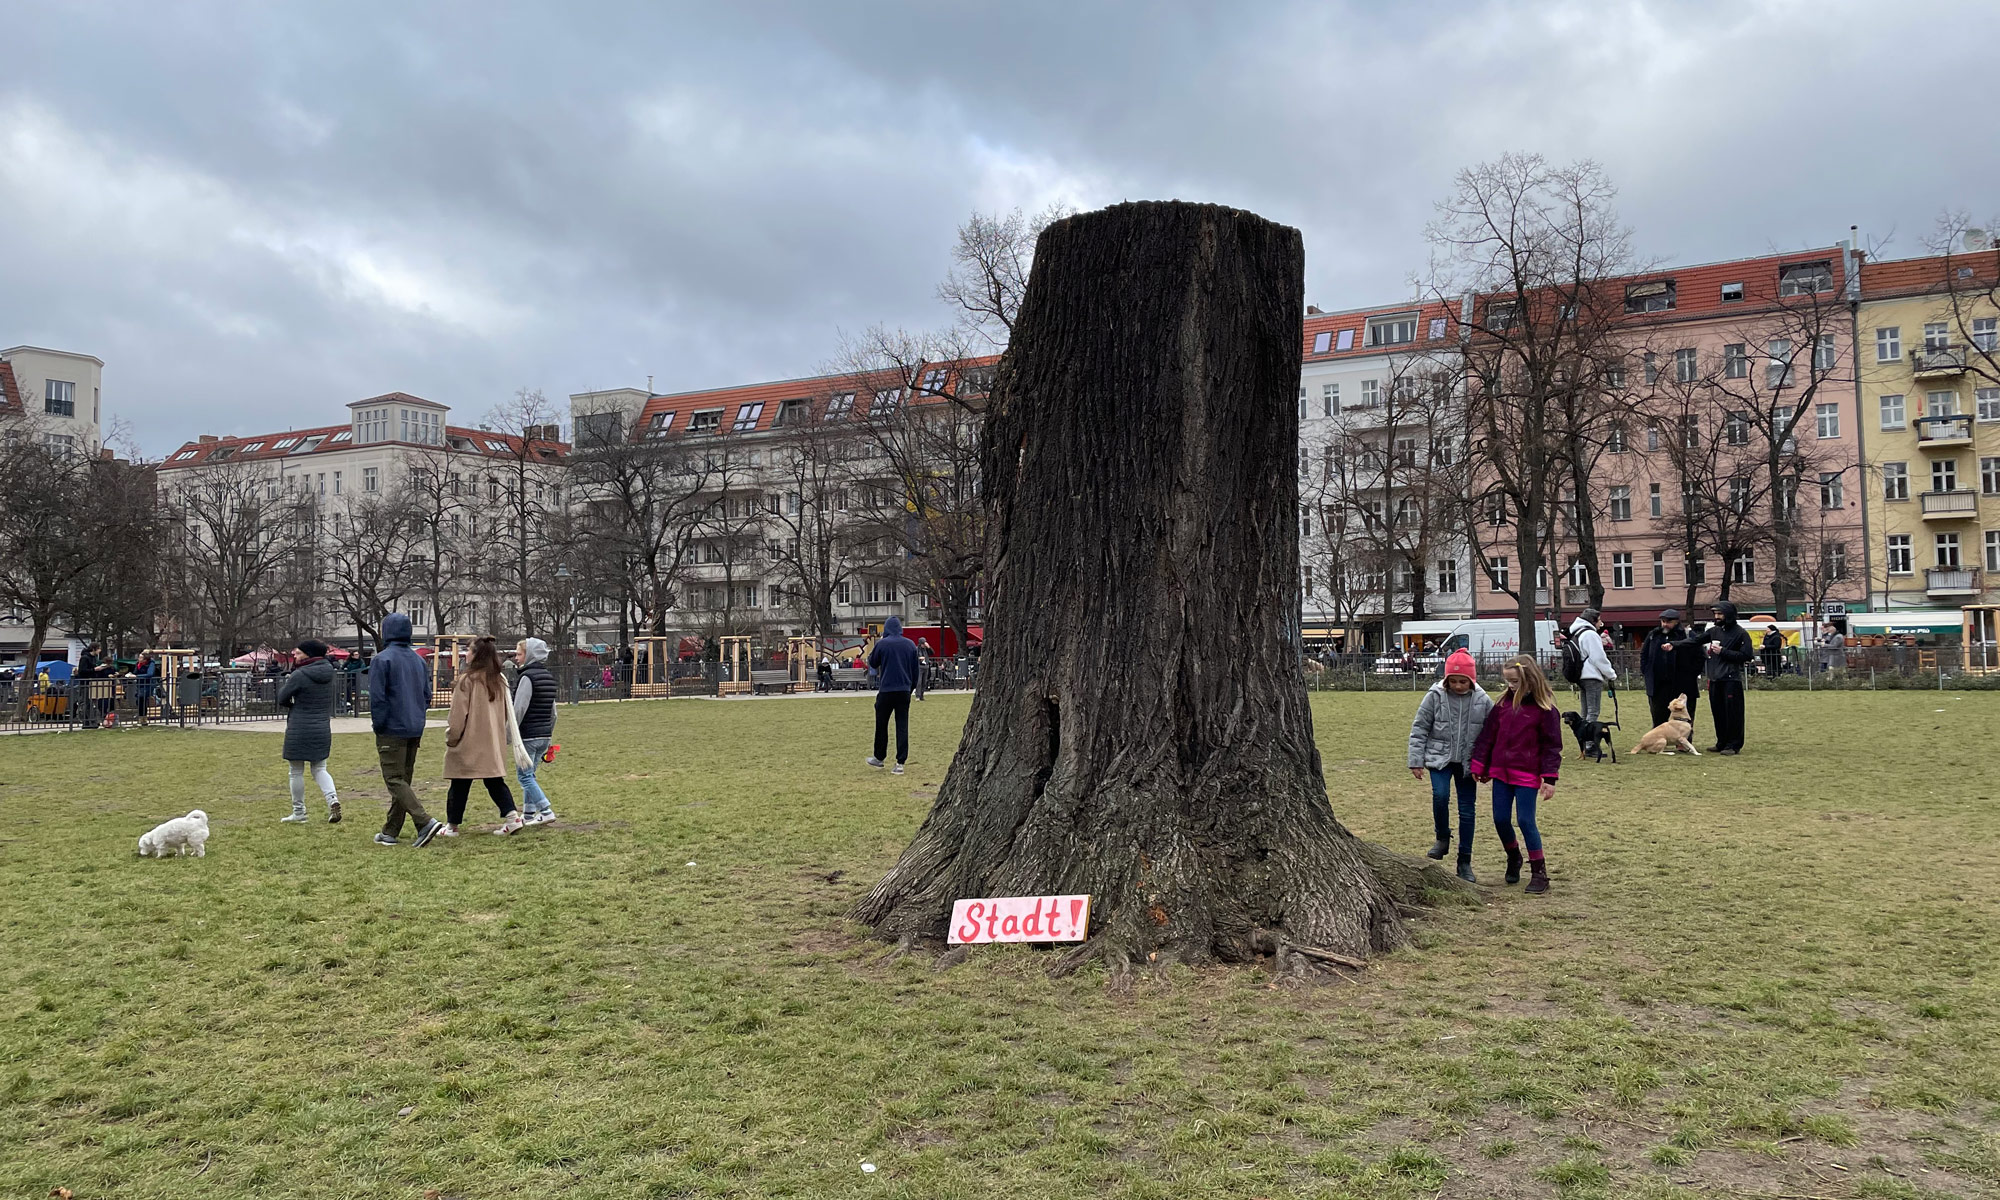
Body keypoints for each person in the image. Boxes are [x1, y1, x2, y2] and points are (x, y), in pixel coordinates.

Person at [1469, 655, 1563, 895]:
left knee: (1525, 821)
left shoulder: (1545, 710)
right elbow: (1488, 736)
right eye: (1508, 681)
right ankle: (1514, 856)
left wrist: (1549, 778)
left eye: (1514, 681)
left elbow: (1552, 746)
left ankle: (1539, 872)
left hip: (1527, 774)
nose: (1510, 686)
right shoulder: (1501, 706)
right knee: (1500, 819)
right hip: (1501, 772)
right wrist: (1480, 765)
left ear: (1529, 679)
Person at [1406, 648, 1493, 884]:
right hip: (1439, 758)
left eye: (1462, 681)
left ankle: (1464, 860)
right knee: (1440, 795)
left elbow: (1491, 735)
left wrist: (1486, 765)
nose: (1457, 686)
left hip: (1468, 764)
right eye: (1452, 681)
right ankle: (1442, 837)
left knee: (1467, 810)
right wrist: (1416, 760)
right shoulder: (1435, 696)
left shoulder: (1483, 700)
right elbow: (1420, 727)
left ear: (1471, 680)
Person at [369, 612, 444, 847]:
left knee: (394, 779)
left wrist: (379, 725)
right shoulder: (419, 661)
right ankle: (390, 830)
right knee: (403, 781)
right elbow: (426, 695)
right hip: (414, 726)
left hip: (392, 727)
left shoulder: (381, 660)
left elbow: (378, 699)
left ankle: (424, 822)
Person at [442, 636, 525, 836]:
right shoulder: (499, 680)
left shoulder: (467, 681)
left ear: (477, 655)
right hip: (492, 742)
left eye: (469, 650)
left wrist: (451, 738)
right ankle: (512, 817)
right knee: (494, 781)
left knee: (459, 782)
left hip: (469, 741)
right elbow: (506, 713)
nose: (466, 654)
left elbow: (457, 716)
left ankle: (452, 825)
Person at [1673, 601, 1753, 755]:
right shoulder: (1714, 631)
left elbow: (1746, 655)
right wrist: (1674, 645)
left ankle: (1733, 745)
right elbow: (1695, 641)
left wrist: (1723, 651)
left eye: (1720, 614)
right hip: (1715, 678)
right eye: (1715, 614)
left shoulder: (1740, 633)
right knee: (1718, 712)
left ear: (1728, 615)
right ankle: (1721, 742)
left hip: (1731, 679)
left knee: (1733, 713)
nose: (1717, 617)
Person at [276, 638, 341, 824]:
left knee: (295, 771)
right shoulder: (330, 672)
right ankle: (332, 799)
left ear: (309, 654)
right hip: (321, 726)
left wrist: (292, 704)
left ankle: (299, 812)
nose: (295, 655)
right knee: (320, 768)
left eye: (298, 652)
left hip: (299, 726)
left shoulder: (300, 674)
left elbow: (282, 698)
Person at [865, 615, 920, 775]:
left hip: (887, 689)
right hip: (904, 689)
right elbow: (915, 671)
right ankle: (900, 762)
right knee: (902, 725)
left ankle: (879, 756)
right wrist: (911, 688)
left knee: (881, 724)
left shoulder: (882, 644)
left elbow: (873, 663)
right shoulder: (910, 645)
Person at [512, 637, 559, 825]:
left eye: (519, 654)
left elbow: (519, 709)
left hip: (528, 734)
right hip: (544, 735)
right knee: (530, 775)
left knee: (524, 776)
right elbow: (553, 712)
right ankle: (529, 813)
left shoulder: (527, 677)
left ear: (529, 655)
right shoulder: (548, 677)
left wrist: (510, 734)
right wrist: (548, 734)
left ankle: (545, 809)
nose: (516, 658)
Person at [1567, 608, 1615, 758]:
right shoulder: (1590, 634)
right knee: (1593, 711)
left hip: (1580, 676)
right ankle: (1590, 745)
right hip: (1591, 676)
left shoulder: (1577, 633)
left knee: (1585, 712)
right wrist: (1611, 674)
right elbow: (1598, 657)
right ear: (1593, 620)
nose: (1602, 623)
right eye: (1599, 619)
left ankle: (1584, 743)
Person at [1640, 610, 1699, 730]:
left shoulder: (1687, 635)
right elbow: (1644, 654)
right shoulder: (1653, 635)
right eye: (1663, 621)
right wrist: (1646, 671)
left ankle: (1683, 742)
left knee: (1683, 716)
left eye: (1669, 622)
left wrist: (1692, 673)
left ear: (1677, 621)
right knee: (1658, 715)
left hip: (1682, 683)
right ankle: (1658, 740)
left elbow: (1699, 656)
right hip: (1658, 684)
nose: (1665, 624)